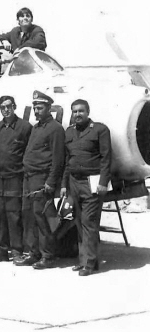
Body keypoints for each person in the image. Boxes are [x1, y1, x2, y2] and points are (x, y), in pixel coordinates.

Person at [60, 99, 111, 276]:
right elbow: (67, 161)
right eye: (74, 112)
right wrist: (64, 185)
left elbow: (106, 158)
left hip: (92, 181)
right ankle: (86, 260)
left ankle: (89, 263)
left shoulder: (100, 130)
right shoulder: (69, 132)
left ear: (88, 112)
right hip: (74, 181)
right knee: (79, 221)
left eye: (81, 111)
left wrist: (103, 182)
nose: (77, 114)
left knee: (89, 221)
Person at [15, 90, 65, 269]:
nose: (36, 110)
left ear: (49, 108)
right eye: (35, 107)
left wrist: (51, 182)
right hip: (28, 178)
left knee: (42, 218)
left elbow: (58, 159)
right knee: (28, 216)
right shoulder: (36, 127)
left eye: (40, 107)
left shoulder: (56, 129)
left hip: (41, 179)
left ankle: (48, 256)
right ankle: (33, 252)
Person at [0, 96, 32, 263]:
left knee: (14, 215)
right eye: (2, 107)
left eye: (8, 106)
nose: (6, 110)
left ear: (14, 106)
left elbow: (28, 152)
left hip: (15, 177)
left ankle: (17, 250)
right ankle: (0, 250)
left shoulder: (25, 127)